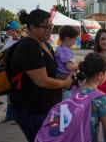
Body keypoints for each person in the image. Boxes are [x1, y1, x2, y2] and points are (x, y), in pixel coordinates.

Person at [9, 9, 73, 142]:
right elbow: (42, 81)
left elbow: (52, 72)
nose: (50, 30)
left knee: (55, 138)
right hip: (33, 110)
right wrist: (65, 83)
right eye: (46, 27)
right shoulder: (28, 47)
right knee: (42, 139)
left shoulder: (45, 45)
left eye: (51, 26)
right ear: (32, 27)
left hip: (51, 107)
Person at [0, 20, 21, 124]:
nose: (8, 31)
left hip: (17, 72)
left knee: (17, 95)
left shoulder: (21, 41)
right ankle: (9, 115)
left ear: (15, 29)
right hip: (8, 70)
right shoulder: (9, 40)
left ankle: (18, 117)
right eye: (7, 29)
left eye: (9, 29)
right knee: (9, 95)